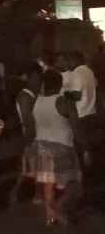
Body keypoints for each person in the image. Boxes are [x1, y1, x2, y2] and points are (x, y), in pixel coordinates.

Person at [30, 69, 84, 225]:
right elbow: (76, 127)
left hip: (41, 147)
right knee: (75, 185)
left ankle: (50, 216)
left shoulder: (37, 101)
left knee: (48, 184)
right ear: (60, 84)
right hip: (62, 148)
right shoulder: (63, 102)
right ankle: (59, 208)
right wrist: (85, 148)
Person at [9, 62, 43, 205]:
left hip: (39, 135)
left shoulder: (36, 93)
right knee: (28, 167)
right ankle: (16, 194)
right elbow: (28, 120)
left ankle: (33, 194)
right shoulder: (25, 96)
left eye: (39, 77)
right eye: (35, 77)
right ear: (28, 78)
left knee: (35, 167)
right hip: (33, 136)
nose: (38, 80)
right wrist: (29, 140)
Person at [64, 50, 97, 166]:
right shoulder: (89, 71)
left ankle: (84, 171)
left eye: (68, 60)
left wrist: (64, 93)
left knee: (81, 147)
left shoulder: (77, 73)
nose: (67, 63)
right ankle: (92, 170)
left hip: (80, 115)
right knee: (89, 145)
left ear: (75, 60)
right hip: (91, 112)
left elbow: (77, 96)